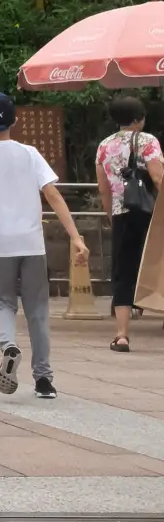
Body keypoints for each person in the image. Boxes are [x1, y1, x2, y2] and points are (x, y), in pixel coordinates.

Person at [0, 90, 90, 399]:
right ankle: (44, 380)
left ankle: (9, 345)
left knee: (1, 301)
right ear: (15, 121)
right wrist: (75, 236)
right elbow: (52, 194)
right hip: (32, 243)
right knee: (38, 310)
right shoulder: (30, 153)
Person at [96, 95, 163, 351]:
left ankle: (122, 335)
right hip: (151, 214)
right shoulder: (148, 141)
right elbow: (158, 178)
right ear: (138, 119)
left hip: (122, 214)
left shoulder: (104, 146)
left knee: (123, 271)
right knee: (159, 264)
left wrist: (111, 215)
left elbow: (104, 189)